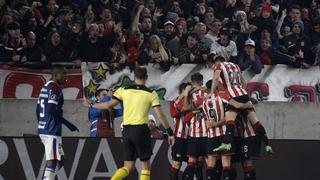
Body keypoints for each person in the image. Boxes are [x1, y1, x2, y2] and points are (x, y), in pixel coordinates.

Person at [83, 66, 174, 180]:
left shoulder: (123, 90)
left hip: (126, 131)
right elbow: (160, 115)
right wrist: (170, 132)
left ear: (134, 77)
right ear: (146, 78)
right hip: (141, 130)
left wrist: (90, 105)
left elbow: (107, 106)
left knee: (128, 167)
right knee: (145, 166)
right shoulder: (151, 93)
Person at [209, 55, 273, 155]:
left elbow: (216, 78)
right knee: (255, 121)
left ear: (217, 62)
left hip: (233, 95)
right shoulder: (236, 66)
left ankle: (227, 143)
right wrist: (240, 90)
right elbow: (244, 82)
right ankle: (268, 145)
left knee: (230, 119)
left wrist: (212, 92)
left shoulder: (219, 66)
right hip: (243, 94)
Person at [36, 66, 79, 180]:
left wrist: (40, 128)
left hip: (45, 129)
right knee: (53, 162)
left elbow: (37, 109)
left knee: (61, 159)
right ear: (55, 75)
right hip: (51, 130)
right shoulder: (54, 88)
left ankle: (46, 177)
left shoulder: (44, 87)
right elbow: (51, 109)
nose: (66, 77)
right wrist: (68, 124)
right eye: (63, 74)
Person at [181, 73, 208, 180]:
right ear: (202, 81)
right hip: (208, 133)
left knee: (192, 162)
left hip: (194, 133)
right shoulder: (209, 92)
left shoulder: (190, 95)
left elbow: (184, 108)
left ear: (192, 83)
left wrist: (187, 93)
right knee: (209, 162)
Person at [169, 83, 189, 180]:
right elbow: (173, 113)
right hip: (180, 136)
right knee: (177, 163)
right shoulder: (175, 101)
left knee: (194, 163)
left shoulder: (194, 100)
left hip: (194, 137)